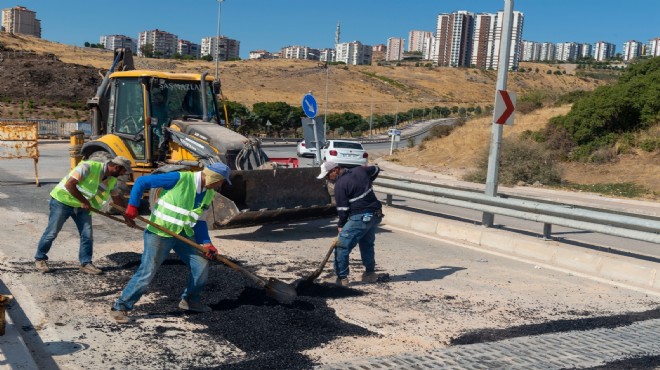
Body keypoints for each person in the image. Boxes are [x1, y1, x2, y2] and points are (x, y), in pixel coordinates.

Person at [110, 162, 232, 324]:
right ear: (213, 177)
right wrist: (133, 205)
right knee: (148, 271)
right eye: (221, 181)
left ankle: (189, 300)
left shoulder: (208, 193)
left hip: (183, 235)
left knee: (201, 264)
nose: (220, 185)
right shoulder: (179, 178)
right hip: (160, 233)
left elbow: (200, 221)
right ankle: (121, 306)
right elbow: (141, 182)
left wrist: (206, 243)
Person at [35, 156, 134, 274]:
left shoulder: (112, 180)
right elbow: (69, 185)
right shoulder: (88, 166)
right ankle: (40, 258)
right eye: (123, 171)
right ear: (116, 167)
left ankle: (86, 263)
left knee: (87, 235)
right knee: (52, 232)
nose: (124, 174)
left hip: (82, 206)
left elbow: (117, 200)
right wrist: (84, 201)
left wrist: (127, 218)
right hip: (62, 201)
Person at [317, 161, 384, 287]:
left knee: (342, 246)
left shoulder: (340, 185)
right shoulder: (359, 170)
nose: (327, 179)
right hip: (375, 214)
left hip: (360, 216)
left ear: (335, 170)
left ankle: (341, 278)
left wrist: (341, 225)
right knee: (367, 244)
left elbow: (342, 209)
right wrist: (369, 181)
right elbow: (375, 169)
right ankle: (370, 274)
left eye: (327, 175)